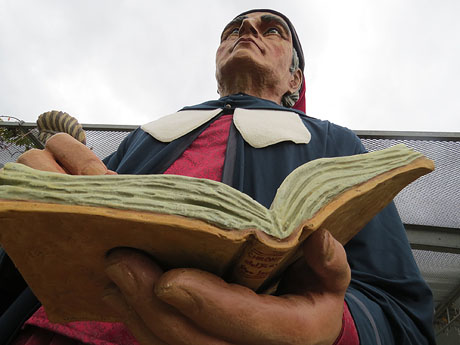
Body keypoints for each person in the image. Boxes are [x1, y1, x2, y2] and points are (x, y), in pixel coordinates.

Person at [0, 9, 436, 345]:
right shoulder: (143, 138)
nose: (247, 31)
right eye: (234, 29)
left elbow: (400, 310)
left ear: (295, 78)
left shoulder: (333, 142)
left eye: (271, 30)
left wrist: (332, 327)